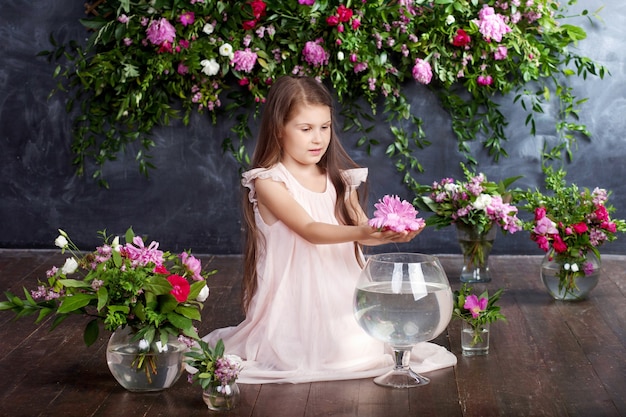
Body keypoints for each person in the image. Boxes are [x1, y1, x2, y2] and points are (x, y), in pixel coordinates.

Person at [203, 76, 456, 383]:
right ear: (279, 129)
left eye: (325, 127)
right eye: (305, 129)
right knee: (327, 355)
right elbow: (310, 229)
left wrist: (390, 230)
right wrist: (362, 232)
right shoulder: (269, 181)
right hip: (297, 299)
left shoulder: (339, 178)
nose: (318, 139)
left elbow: (361, 228)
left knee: (360, 348)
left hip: (346, 293)